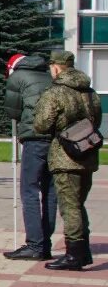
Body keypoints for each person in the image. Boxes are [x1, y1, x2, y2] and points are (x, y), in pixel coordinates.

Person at [34, 50, 99, 270]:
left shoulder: (55, 92)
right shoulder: (89, 91)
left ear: (56, 67)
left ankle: (74, 255)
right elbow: (96, 119)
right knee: (78, 205)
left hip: (65, 155)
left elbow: (42, 124)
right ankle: (84, 252)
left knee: (69, 207)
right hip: (87, 153)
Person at [4, 53, 56, 260]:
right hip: (55, 138)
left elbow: (12, 110)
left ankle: (35, 245)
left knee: (29, 190)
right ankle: (46, 244)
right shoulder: (50, 75)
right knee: (50, 192)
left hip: (34, 137)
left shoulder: (17, 77)